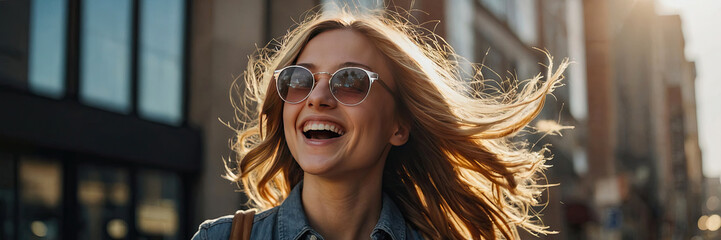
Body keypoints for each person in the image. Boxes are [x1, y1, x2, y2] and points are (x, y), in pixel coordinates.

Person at [192, 6, 569, 240]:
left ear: (398, 126)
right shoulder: (222, 238)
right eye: (300, 79)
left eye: (351, 81)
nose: (317, 97)